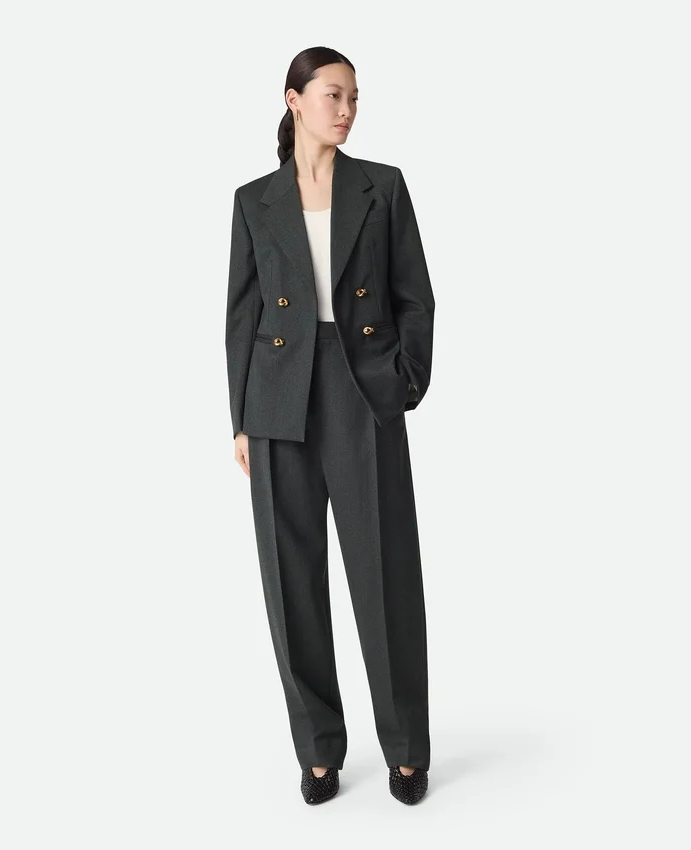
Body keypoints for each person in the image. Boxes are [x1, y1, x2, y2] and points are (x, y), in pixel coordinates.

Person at [225, 46, 435, 806]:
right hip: (278, 401)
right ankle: (318, 750)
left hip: (363, 390)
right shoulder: (255, 200)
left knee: (385, 575)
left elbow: (415, 295)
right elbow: (242, 312)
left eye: (353, 97)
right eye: (332, 95)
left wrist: (404, 381)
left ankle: (406, 749)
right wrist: (241, 418)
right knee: (292, 582)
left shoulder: (383, 186)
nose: (346, 110)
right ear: (295, 100)